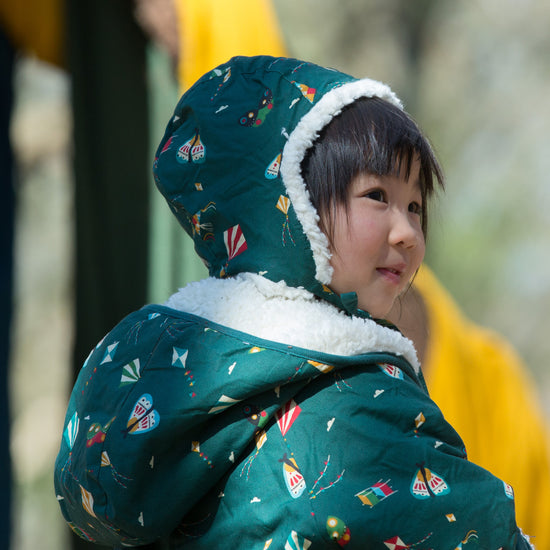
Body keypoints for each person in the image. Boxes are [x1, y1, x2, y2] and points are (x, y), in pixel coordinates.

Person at [53, 55, 533, 549]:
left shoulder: (170, 372)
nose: (408, 231)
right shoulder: (355, 395)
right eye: (377, 195)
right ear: (289, 205)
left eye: (415, 205)